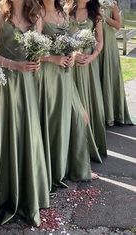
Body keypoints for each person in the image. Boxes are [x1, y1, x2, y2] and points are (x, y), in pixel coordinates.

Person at [0, 0, 50, 226]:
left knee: (27, 134)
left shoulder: (36, 16)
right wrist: (14, 65)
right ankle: (4, 193)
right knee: (7, 133)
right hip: (6, 85)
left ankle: (28, 189)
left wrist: (36, 61)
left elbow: (38, 52)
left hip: (29, 85)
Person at [37, 0, 101, 187]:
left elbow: (70, 43)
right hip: (47, 75)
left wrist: (73, 55)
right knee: (53, 119)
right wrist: (52, 58)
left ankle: (75, 166)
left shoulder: (63, 13)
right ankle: (52, 169)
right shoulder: (37, 14)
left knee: (80, 117)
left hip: (65, 74)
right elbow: (30, 51)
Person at [67, 0, 107, 157]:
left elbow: (100, 41)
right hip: (71, 63)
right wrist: (73, 53)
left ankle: (90, 144)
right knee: (73, 103)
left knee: (88, 100)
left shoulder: (96, 14)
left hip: (88, 64)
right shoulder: (66, 11)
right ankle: (74, 144)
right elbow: (62, 35)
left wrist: (92, 57)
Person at [99, 2, 134, 126]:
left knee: (109, 75)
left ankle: (111, 113)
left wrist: (105, 17)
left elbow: (118, 25)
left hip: (108, 43)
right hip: (92, 43)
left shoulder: (110, 3)